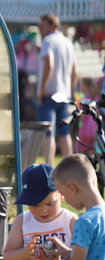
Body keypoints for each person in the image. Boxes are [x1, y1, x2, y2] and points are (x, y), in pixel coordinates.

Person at [37, 13, 78, 165]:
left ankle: (48, 167)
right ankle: (71, 168)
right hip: (64, 94)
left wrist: (41, 90)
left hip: (49, 94)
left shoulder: (48, 41)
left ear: (52, 25)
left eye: (42, 26)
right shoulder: (68, 42)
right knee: (64, 133)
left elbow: (49, 65)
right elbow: (75, 73)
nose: (40, 29)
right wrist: (70, 92)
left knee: (48, 134)